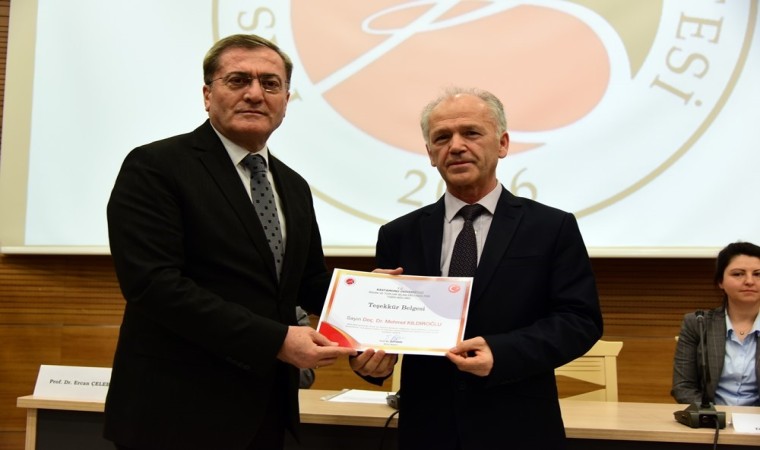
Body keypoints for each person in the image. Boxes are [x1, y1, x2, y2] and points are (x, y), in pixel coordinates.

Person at [104, 34, 356, 450]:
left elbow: (306, 281)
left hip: (265, 414)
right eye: (238, 80)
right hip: (174, 416)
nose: (255, 94)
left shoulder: (293, 186)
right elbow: (153, 285)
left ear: (286, 100)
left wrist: (366, 299)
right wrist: (276, 341)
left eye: (270, 84)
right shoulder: (155, 167)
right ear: (207, 95)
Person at [352, 87, 603, 449]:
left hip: (519, 427)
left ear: (502, 144)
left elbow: (580, 320)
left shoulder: (551, 227)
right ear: (430, 154)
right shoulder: (398, 234)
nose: (456, 146)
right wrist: (369, 360)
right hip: (427, 429)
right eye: (442, 138)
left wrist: (503, 352)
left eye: (471, 133)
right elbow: (384, 330)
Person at [672, 241, 760, 406]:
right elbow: (683, 387)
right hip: (712, 417)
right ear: (721, 281)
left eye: (758, 274)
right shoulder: (697, 323)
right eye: (738, 274)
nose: (749, 281)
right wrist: (712, 414)